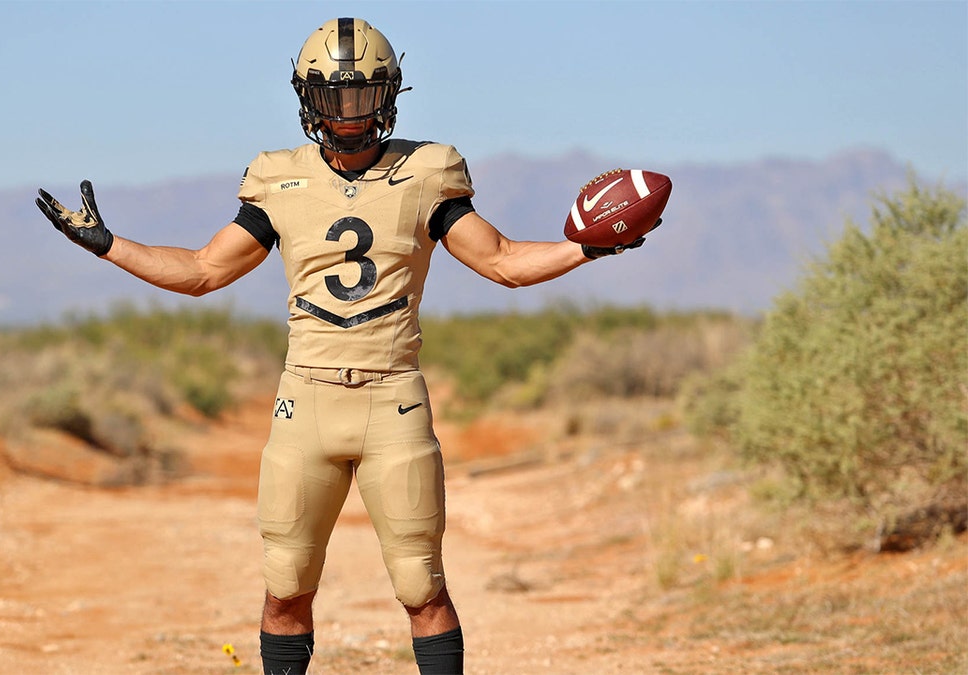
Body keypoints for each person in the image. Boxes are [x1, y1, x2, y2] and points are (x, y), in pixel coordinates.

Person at [35, 17, 654, 675]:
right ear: (308, 99)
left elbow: (501, 259)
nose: (350, 113)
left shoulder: (427, 171)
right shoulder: (278, 178)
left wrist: (586, 247)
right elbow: (203, 270)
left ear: (389, 95)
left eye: (363, 95)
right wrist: (110, 246)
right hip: (305, 401)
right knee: (285, 586)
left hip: (393, 401)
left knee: (422, 586)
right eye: (335, 96)